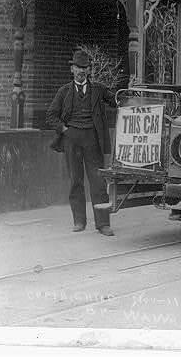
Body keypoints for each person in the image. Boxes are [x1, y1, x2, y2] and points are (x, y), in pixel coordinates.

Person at [46, 49, 117, 236]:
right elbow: (51, 116)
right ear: (72, 69)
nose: (81, 71)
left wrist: (125, 93)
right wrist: (64, 130)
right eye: (78, 67)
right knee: (75, 181)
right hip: (72, 140)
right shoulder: (64, 92)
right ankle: (79, 221)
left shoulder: (99, 89)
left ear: (89, 70)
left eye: (85, 68)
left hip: (93, 141)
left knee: (98, 182)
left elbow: (117, 100)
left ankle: (103, 224)